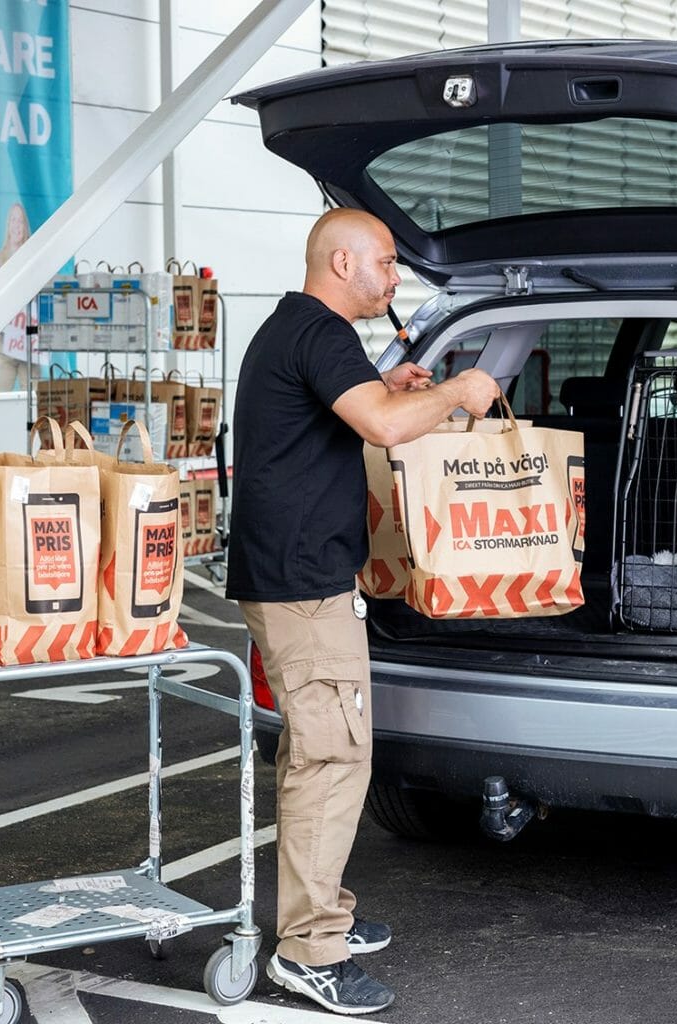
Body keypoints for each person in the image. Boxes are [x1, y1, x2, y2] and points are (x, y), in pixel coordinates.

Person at [227, 208, 499, 1016]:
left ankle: (325, 916)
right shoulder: (320, 334)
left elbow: (363, 408)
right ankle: (308, 953)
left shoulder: (299, 330)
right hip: (301, 586)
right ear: (342, 262)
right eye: (385, 263)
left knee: (322, 751)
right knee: (333, 759)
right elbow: (381, 427)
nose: (394, 279)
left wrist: (394, 385)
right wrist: (455, 390)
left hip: (291, 577)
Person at [0, 203, 38, 391]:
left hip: (30, 344)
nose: (17, 225)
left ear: (26, 227)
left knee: (32, 405)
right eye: (13, 220)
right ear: (8, 226)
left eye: (21, 221)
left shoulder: (35, 259)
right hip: (6, 343)